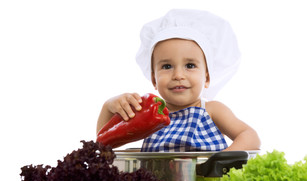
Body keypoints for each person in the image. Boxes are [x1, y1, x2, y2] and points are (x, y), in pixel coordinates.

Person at [97, 9, 261, 152]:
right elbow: (103, 143)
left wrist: (224, 157)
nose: (178, 75)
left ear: (207, 77)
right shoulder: (148, 113)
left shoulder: (212, 110)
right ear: (154, 78)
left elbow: (250, 136)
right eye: (167, 66)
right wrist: (109, 107)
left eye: (190, 65)